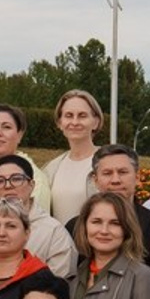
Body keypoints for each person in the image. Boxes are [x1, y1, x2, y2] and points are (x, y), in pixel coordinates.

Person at [0, 154, 74, 276]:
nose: (8, 186)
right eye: (0, 181)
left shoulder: (54, 233)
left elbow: (59, 280)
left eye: (16, 179)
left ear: (31, 185)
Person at [66, 145, 150, 268]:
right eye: (107, 173)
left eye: (123, 172)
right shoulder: (75, 227)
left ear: (137, 177)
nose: (115, 180)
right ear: (95, 180)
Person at [43, 89, 103, 223]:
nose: (75, 122)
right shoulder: (50, 169)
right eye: (69, 116)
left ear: (96, 122)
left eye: (82, 116)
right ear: (60, 122)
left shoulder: (108, 163)